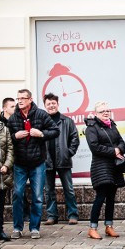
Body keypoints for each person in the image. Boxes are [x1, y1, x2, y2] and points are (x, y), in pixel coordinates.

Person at [7, 89, 59, 239]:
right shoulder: (14, 118)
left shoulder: (41, 114)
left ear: (30, 100)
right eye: (18, 99)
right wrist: (14, 136)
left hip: (37, 163)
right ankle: (17, 227)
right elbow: (6, 140)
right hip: (20, 163)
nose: (20, 101)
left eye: (23, 98)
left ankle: (34, 228)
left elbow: (55, 130)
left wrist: (42, 134)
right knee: (17, 194)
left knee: (37, 196)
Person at [84, 102, 125, 239]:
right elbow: (94, 147)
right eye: (102, 111)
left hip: (114, 167)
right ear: (96, 114)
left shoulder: (112, 125)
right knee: (100, 197)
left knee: (111, 198)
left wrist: (119, 149)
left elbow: (121, 141)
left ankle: (109, 226)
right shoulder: (91, 127)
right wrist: (113, 151)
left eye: (107, 110)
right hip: (100, 167)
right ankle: (92, 228)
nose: (106, 113)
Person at [42, 93, 80, 225]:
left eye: (53, 103)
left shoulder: (67, 121)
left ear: (58, 104)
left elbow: (75, 138)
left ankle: (73, 215)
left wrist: (68, 153)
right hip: (46, 161)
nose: (51, 106)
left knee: (68, 189)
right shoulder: (42, 121)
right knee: (49, 190)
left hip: (63, 160)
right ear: (45, 106)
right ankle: (52, 216)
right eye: (48, 104)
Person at [0, 114, 13, 241]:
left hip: (3, 175)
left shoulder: (5, 129)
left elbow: (10, 149)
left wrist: (7, 165)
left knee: (0, 204)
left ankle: (0, 230)